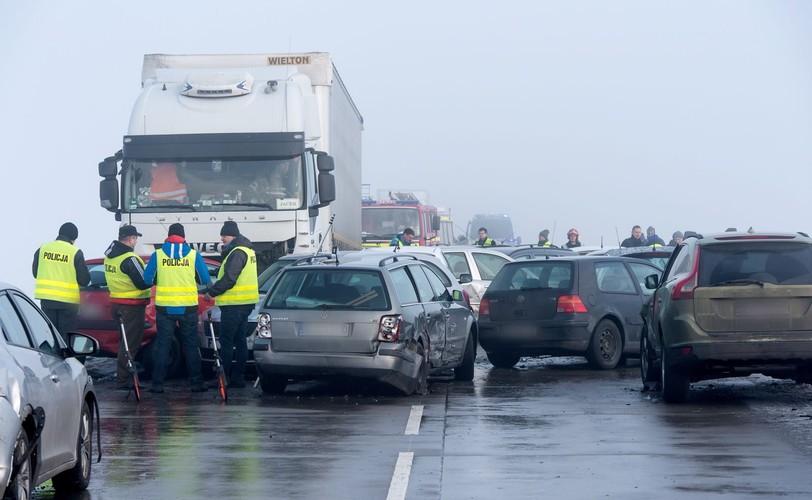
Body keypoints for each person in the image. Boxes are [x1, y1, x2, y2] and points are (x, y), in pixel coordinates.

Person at [143, 223, 212, 393]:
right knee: (190, 346)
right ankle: (196, 383)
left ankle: (157, 384)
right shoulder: (193, 255)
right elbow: (204, 280)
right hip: (188, 308)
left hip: (165, 308)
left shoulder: (157, 255)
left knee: (162, 346)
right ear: (183, 237)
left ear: (168, 236)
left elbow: (146, 280)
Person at [203, 221, 259, 389]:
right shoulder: (247, 250)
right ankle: (237, 378)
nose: (222, 239)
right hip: (245, 304)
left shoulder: (237, 252)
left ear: (233, 235)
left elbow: (230, 279)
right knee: (240, 340)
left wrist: (211, 292)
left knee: (226, 341)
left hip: (234, 304)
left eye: (224, 235)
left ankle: (223, 377)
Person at [104, 224, 152, 391]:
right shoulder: (130, 258)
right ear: (131, 239)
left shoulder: (111, 256)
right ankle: (124, 381)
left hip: (117, 303)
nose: (136, 241)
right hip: (131, 306)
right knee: (130, 344)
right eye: (135, 238)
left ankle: (125, 378)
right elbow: (143, 282)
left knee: (124, 343)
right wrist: (155, 277)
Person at [32, 222, 91, 343]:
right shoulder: (75, 252)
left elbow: (35, 273)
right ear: (74, 239)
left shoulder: (43, 249)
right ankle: (65, 361)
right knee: (66, 339)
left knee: (50, 336)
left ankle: (49, 360)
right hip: (68, 303)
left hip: (47, 301)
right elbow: (84, 280)